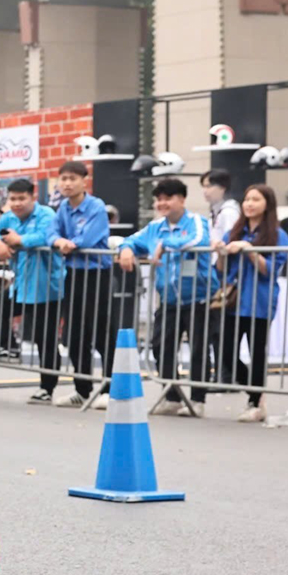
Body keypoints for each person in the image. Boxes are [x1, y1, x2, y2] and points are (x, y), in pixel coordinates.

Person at [118, 176, 219, 417]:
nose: (162, 204)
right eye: (159, 200)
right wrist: (126, 250)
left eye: (168, 198)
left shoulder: (195, 221)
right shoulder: (155, 226)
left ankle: (197, 399)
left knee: (198, 349)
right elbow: (131, 240)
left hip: (199, 298)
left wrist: (166, 244)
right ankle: (172, 395)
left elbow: (198, 240)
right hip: (169, 300)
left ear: (182, 199)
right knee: (160, 345)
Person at [0, 179, 67, 403]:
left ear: (32, 197)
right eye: (13, 199)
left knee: (45, 337)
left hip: (45, 287)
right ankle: (10, 348)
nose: (17, 203)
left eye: (22, 199)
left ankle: (47, 387)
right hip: (20, 287)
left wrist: (18, 240)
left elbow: (46, 237)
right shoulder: (9, 217)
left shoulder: (46, 215)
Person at [214, 183, 288, 422]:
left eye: (255, 199)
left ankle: (255, 403)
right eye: (247, 199)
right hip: (233, 302)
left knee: (257, 353)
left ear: (267, 204)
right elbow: (221, 270)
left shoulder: (278, 235)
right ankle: (256, 392)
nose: (249, 204)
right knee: (226, 354)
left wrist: (249, 250)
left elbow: (271, 269)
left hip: (260, 302)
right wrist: (221, 253)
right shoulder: (234, 232)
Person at [51, 159, 112, 406]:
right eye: (63, 179)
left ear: (83, 181)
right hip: (73, 275)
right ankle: (82, 390)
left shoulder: (96, 207)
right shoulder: (63, 208)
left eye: (72, 179)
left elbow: (87, 239)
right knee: (74, 336)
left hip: (96, 275)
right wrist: (59, 242)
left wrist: (68, 243)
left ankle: (110, 389)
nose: (67, 183)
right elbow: (51, 232)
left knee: (100, 333)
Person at [201, 170, 240, 241]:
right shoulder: (214, 211)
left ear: (222, 188)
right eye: (203, 187)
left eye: (208, 186)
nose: (204, 191)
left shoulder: (229, 212)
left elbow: (231, 238)